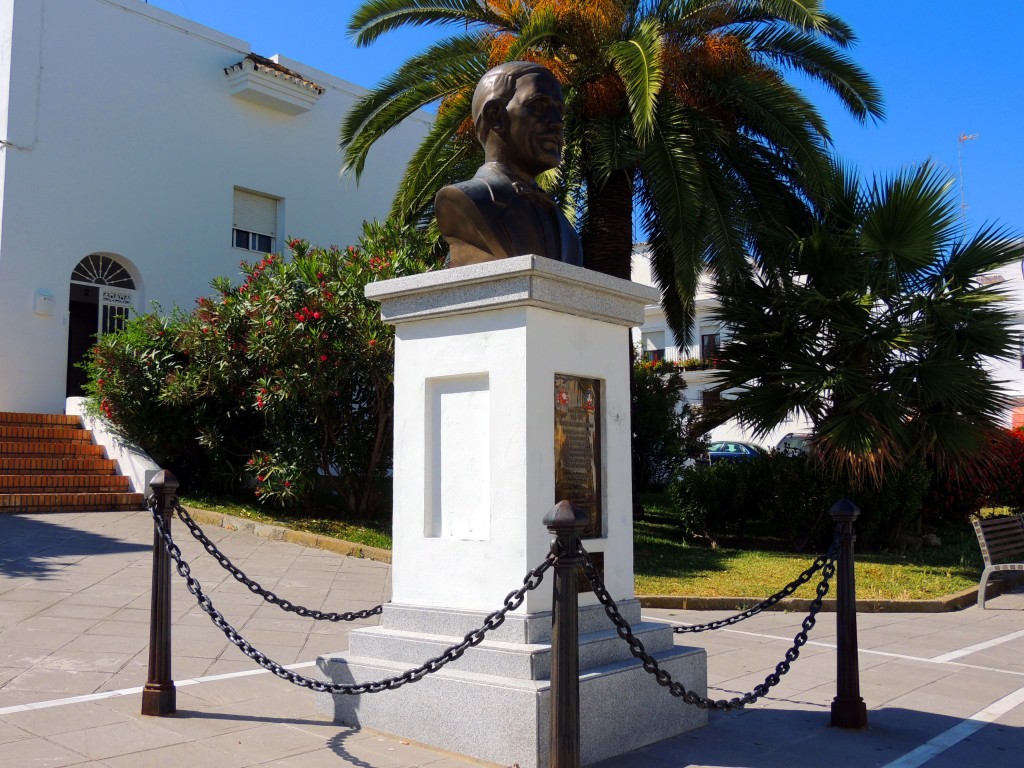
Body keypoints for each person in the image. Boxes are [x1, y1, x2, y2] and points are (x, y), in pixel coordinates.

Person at [435, 61, 584, 267]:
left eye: (559, 111)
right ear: (495, 115)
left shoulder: (566, 231)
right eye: (539, 106)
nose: (557, 122)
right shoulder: (464, 199)